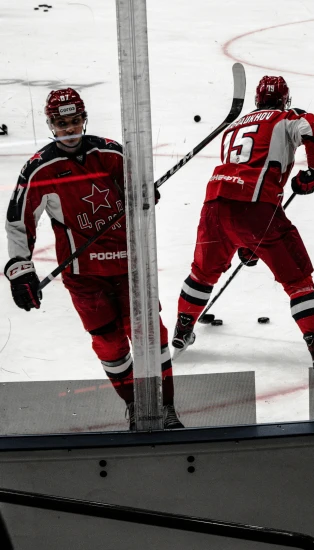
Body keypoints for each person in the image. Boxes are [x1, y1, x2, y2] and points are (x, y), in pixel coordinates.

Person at [4, 88, 182, 430]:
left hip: (130, 266)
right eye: (61, 123)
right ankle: (136, 407)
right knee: (109, 343)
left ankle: (168, 407)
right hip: (83, 276)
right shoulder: (40, 169)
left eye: (75, 122)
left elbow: (140, 188)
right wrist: (21, 269)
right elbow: (18, 220)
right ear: (50, 125)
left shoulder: (111, 153)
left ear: (84, 120)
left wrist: (145, 189)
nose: (69, 130)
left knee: (150, 336)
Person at [171, 76, 314, 385]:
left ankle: (182, 331)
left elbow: (241, 168)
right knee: (298, 281)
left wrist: (243, 242)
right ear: (285, 100)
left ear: (255, 100)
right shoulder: (286, 118)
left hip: (215, 202)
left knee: (202, 273)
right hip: (255, 206)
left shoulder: (233, 128)